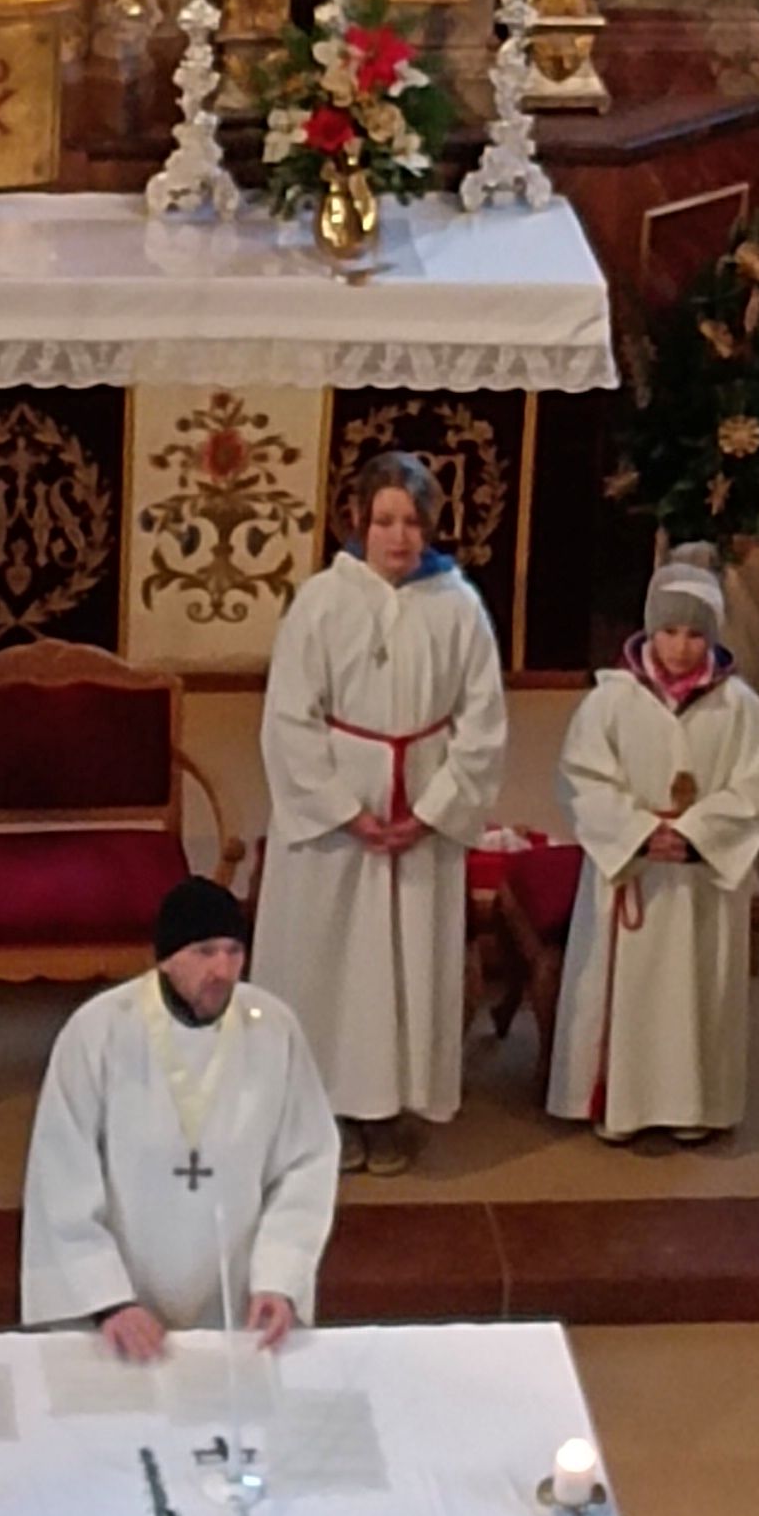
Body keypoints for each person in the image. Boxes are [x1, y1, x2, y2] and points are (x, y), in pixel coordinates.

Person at [249, 456, 506, 1175]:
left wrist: (434, 809)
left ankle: (391, 1110)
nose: (399, 536)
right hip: (336, 821)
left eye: (413, 522)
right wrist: (342, 809)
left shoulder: (459, 608)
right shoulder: (322, 602)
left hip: (420, 808)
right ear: (358, 521)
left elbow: (483, 724)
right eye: (385, 520)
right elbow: (289, 718)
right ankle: (323, 1107)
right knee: (328, 961)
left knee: (404, 965)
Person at [20, 876, 339, 1356]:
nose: (223, 970)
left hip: (238, 1302)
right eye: (205, 952)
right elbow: (61, 1171)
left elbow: (306, 1161)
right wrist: (108, 1301)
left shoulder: (274, 1028)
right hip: (122, 1310)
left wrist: (280, 1277)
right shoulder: (99, 1031)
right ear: (167, 958)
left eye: (234, 951)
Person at [547, 550, 759, 1147]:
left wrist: (697, 832)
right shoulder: (611, 701)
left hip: (699, 879)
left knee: (694, 990)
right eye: (669, 631)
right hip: (634, 870)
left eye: (695, 634)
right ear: (648, 629)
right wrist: (636, 830)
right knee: (631, 991)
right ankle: (620, 1103)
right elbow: (581, 776)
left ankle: (692, 1103)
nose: (681, 648)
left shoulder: (740, 709)